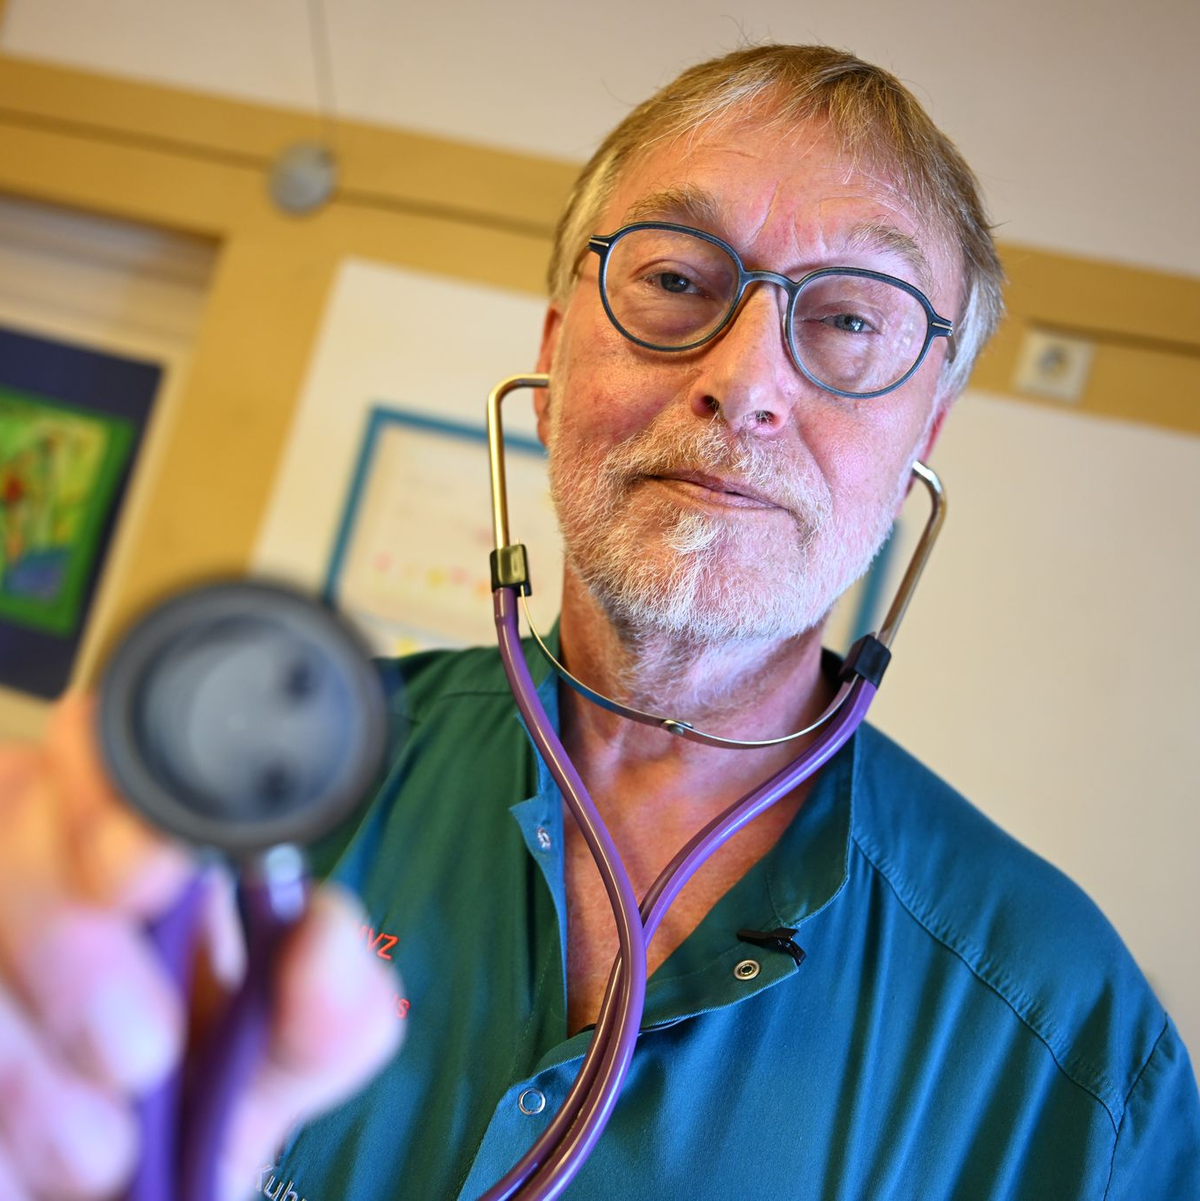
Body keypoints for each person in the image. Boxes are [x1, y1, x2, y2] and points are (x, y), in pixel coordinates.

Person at [0, 43, 1197, 1201]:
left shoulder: (1072, 1056)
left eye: (844, 322)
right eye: (677, 280)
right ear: (557, 353)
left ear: (923, 438)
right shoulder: (221, 805)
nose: (746, 377)